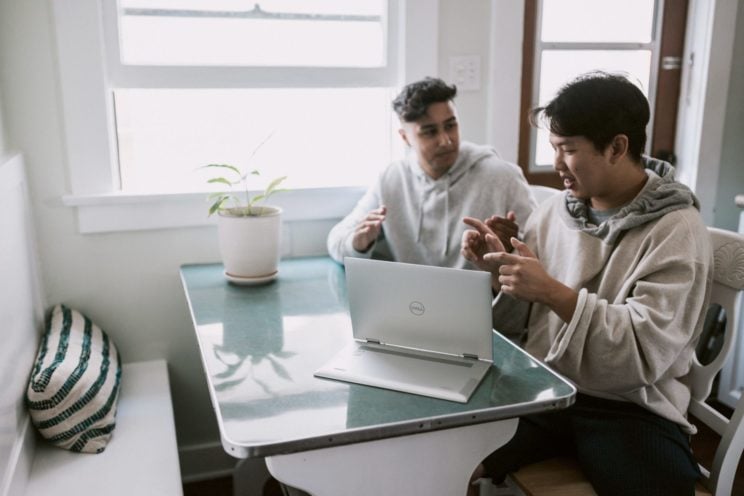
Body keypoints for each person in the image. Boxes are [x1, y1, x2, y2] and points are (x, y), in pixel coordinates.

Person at [461, 72, 712, 496]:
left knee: (664, 487)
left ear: (617, 147)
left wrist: (552, 291)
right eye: (554, 149)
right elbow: (522, 329)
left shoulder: (676, 229)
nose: (557, 164)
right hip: (545, 389)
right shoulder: (555, 210)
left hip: (630, 407)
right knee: (448, 453)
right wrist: (498, 270)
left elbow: (641, 353)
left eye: (568, 149)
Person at [327, 77, 537, 269]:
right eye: (429, 132)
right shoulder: (391, 178)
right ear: (405, 137)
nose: (446, 140)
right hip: (411, 303)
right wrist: (358, 244)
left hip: (482, 304)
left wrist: (509, 248)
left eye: (451, 126)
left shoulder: (502, 176)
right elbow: (336, 241)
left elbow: (541, 250)